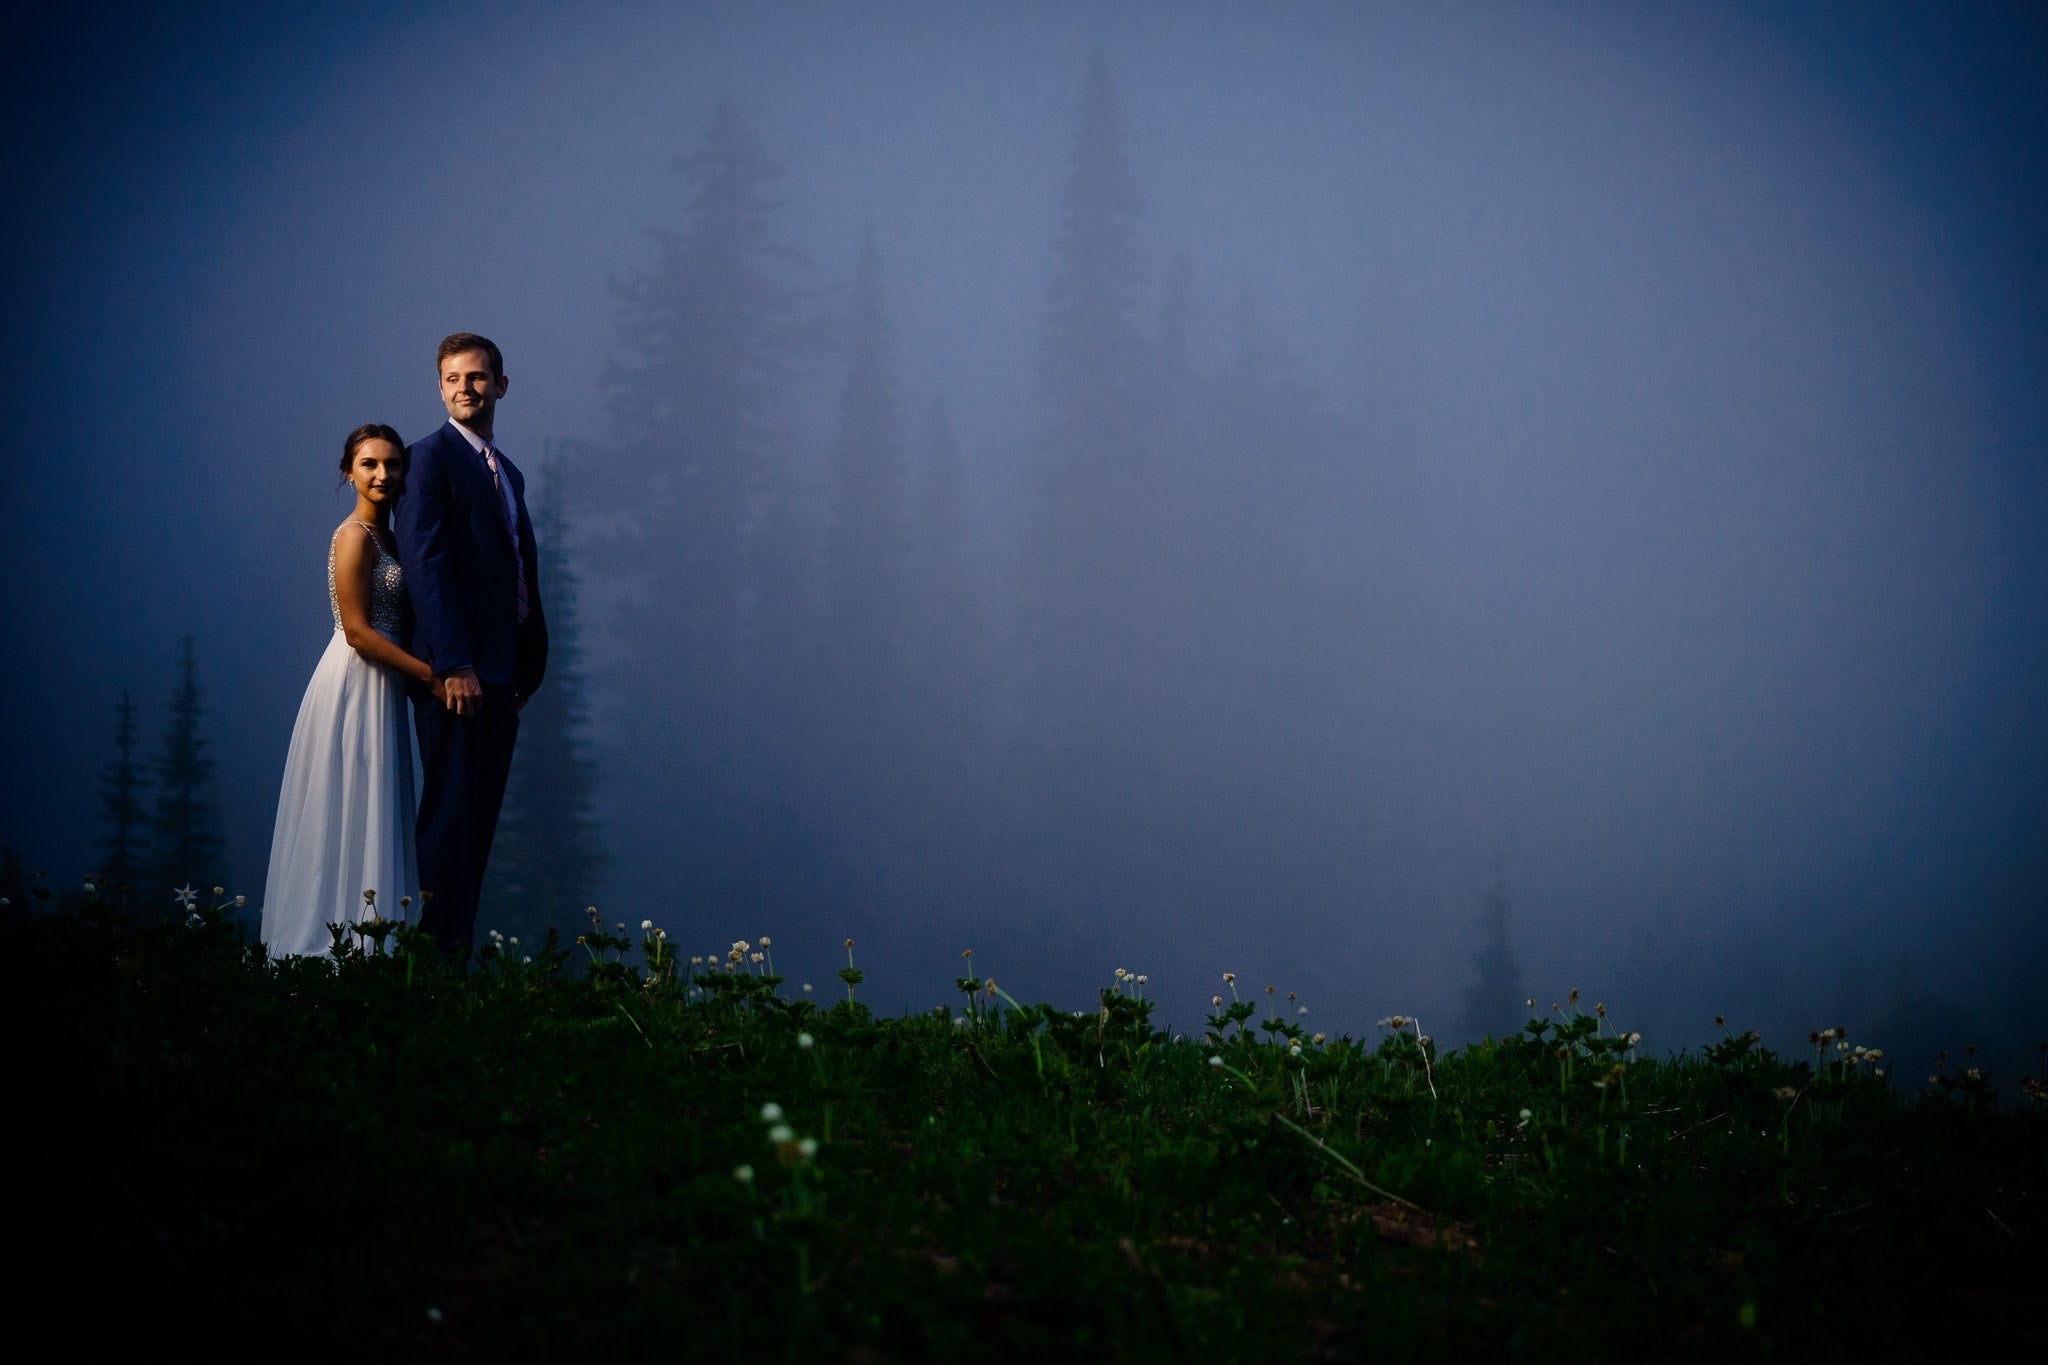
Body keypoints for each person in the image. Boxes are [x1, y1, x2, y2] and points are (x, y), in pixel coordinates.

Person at [260, 424, 443, 957]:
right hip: (355, 680)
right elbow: (359, 631)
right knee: (344, 797)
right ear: (349, 472)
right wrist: (427, 673)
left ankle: (370, 935)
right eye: (369, 464)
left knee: (375, 800)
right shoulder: (353, 536)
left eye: (392, 464)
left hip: (385, 684)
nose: (383, 474)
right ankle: (324, 938)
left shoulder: (390, 536)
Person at [393, 332, 548, 959]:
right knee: (450, 823)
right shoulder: (428, 458)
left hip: (502, 680)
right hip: (454, 679)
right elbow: (425, 565)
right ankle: (429, 965)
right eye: (453, 378)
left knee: (479, 828)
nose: (466, 388)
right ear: (440, 387)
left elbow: (517, 567)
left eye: (478, 377)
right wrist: (451, 663)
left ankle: (454, 966)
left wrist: (525, 669)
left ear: (501, 386)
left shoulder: (506, 472)